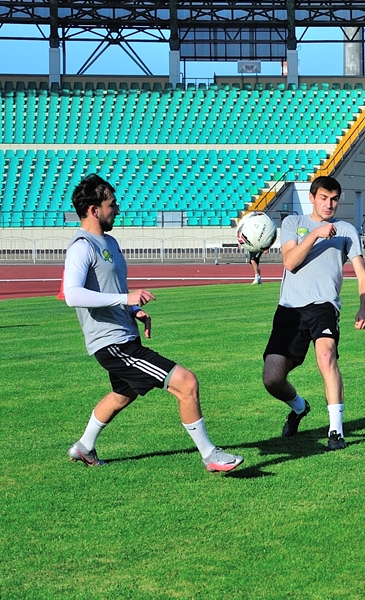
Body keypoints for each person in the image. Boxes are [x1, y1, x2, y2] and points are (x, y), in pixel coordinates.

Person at [63, 174, 243, 473]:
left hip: (124, 333)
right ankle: (210, 455)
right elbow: (72, 294)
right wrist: (125, 299)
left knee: (124, 394)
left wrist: (132, 309)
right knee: (186, 383)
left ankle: (83, 447)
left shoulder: (109, 242)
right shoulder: (82, 246)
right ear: (94, 210)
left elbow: (109, 290)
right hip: (111, 342)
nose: (117, 209)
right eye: (111, 204)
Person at [262, 175, 365, 451]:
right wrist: (314, 234)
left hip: (324, 307)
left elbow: (362, 274)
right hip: (289, 309)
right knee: (272, 379)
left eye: (334, 199)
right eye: (323, 198)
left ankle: (335, 430)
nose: (329, 204)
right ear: (312, 198)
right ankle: (299, 407)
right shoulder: (293, 223)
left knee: (326, 356)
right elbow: (290, 262)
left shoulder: (346, 231)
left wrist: (364, 306)